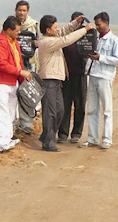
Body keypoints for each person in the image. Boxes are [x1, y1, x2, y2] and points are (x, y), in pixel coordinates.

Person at [37, 14, 93, 152]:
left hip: (56, 81)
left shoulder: (52, 37)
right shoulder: (46, 42)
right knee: (50, 113)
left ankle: (47, 136)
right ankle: (48, 142)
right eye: (55, 27)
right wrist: (85, 29)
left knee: (60, 110)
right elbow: (66, 39)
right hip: (48, 80)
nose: (58, 29)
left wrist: (76, 23)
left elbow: (64, 31)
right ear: (48, 30)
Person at [0, 16, 33, 152]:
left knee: (11, 112)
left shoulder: (14, 42)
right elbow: (2, 64)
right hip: (1, 82)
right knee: (2, 112)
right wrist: (21, 72)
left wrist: (21, 79)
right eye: (17, 31)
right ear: (8, 30)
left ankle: (8, 138)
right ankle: (2, 143)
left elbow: (18, 61)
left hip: (12, 81)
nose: (19, 33)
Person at [80, 12, 118, 150]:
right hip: (92, 75)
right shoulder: (95, 38)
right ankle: (92, 138)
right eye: (96, 25)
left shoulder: (114, 40)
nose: (97, 27)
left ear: (106, 23)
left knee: (107, 110)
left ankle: (106, 139)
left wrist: (101, 58)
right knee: (92, 110)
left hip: (105, 77)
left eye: (99, 24)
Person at [58, 12, 89, 144]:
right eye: (76, 22)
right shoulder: (65, 37)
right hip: (67, 75)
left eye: (80, 22)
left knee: (80, 105)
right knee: (65, 105)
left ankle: (76, 133)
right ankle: (63, 133)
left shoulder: (87, 36)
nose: (78, 25)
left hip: (81, 75)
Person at [14, 0, 40, 135]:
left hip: (28, 62)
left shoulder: (34, 25)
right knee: (13, 92)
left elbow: (40, 42)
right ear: (15, 10)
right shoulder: (11, 24)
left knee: (27, 92)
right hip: (14, 63)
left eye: (24, 10)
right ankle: (13, 123)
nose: (21, 13)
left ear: (28, 11)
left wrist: (36, 43)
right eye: (19, 10)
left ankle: (26, 124)